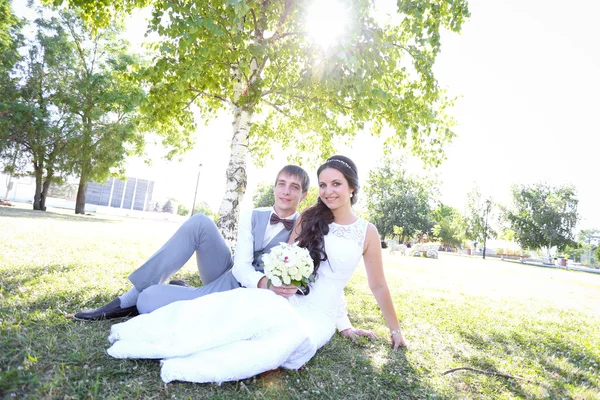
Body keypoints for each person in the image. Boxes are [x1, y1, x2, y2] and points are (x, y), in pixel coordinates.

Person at [106, 155, 406, 384]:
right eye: (324, 185)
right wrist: (271, 285)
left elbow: (370, 284)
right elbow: (288, 263)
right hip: (281, 296)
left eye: (336, 184)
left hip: (319, 314)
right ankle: (151, 305)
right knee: (236, 317)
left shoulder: (367, 232)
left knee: (286, 344)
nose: (328, 191)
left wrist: (377, 328)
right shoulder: (310, 220)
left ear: (352, 187)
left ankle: (202, 355)